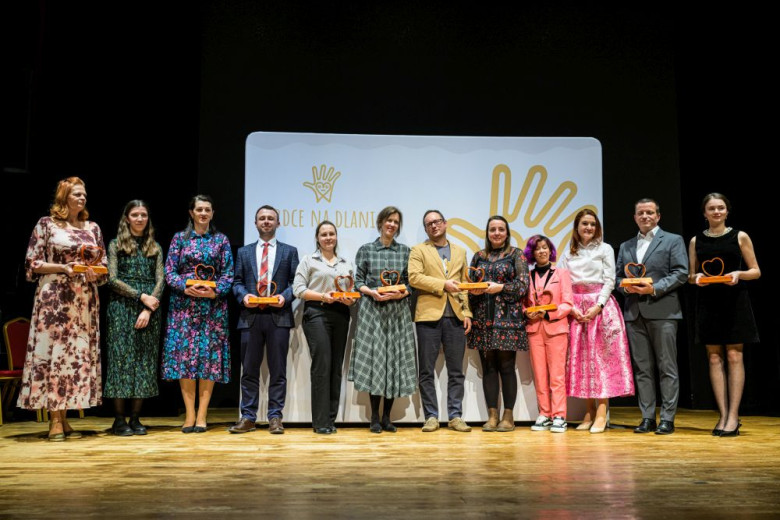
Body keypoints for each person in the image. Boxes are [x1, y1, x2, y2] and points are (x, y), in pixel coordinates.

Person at [17, 177, 107, 441]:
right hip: (55, 298)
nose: (82, 198)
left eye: (84, 194)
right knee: (54, 355)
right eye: (77, 194)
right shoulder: (46, 224)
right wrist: (63, 268)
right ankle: (54, 420)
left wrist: (95, 273)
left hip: (83, 299)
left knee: (74, 358)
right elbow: (32, 263)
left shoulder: (92, 227)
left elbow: (103, 265)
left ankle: (65, 417)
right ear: (64, 197)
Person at [688, 193, 760, 437]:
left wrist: (739, 274)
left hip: (735, 300)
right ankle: (723, 414)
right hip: (708, 303)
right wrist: (696, 278)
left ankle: (734, 416)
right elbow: (691, 276)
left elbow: (756, 271)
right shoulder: (696, 240)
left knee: (734, 355)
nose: (716, 212)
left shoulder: (740, 236)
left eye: (720, 208)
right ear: (704, 213)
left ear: (727, 211)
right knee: (713, 358)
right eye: (712, 208)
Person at [162, 195, 234, 433]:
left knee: (208, 360)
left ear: (213, 214)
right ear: (191, 212)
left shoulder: (221, 240)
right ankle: (189, 415)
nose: (203, 213)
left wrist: (215, 292)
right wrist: (185, 287)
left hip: (212, 309)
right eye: (199, 209)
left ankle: (202, 415)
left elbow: (228, 274)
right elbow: (169, 272)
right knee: (185, 360)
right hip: (184, 307)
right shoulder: (179, 239)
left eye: (207, 210)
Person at [557, 209, 634, 433]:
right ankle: (589, 411)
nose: (588, 228)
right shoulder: (568, 252)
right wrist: (572, 308)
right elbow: (563, 281)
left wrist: (597, 306)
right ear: (577, 227)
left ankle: (602, 412)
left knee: (602, 360)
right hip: (576, 309)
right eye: (584, 224)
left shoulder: (605, 248)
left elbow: (610, 280)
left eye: (592, 224)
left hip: (600, 307)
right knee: (582, 361)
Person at [616, 198, 687, 435]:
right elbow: (617, 277)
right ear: (635, 217)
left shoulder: (673, 240)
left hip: (663, 310)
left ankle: (667, 418)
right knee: (642, 368)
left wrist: (653, 288)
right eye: (641, 213)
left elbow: (681, 272)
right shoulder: (626, 245)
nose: (645, 216)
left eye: (649, 212)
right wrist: (626, 288)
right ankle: (647, 417)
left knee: (667, 366)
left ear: (658, 216)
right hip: (634, 312)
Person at [229, 205, 299, 435]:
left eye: (270, 218)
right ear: (256, 223)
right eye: (262, 218)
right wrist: (243, 296)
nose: (266, 221)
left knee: (278, 371)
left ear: (278, 223)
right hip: (250, 317)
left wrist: (284, 297)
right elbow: (236, 282)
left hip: (279, 316)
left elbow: (295, 283)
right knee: (249, 371)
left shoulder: (290, 251)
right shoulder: (244, 252)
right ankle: (248, 417)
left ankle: (275, 417)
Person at [349, 206, 417, 434]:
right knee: (376, 361)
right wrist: (371, 292)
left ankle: (387, 417)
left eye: (396, 222)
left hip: (397, 312)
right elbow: (358, 281)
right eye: (389, 220)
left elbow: (410, 283)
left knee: (393, 361)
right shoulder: (366, 250)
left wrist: (402, 293)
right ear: (380, 223)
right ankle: (374, 417)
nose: (392, 225)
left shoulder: (405, 252)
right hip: (373, 312)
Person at [408, 210, 473, 433]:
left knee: (456, 370)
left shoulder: (460, 251)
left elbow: (464, 285)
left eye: (437, 221)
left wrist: (467, 313)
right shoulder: (418, 250)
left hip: (455, 316)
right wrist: (443, 284)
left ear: (445, 224)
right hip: (428, 316)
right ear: (426, 229)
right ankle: (431, 417)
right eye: (429, 224)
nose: (434, 226)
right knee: (426, 370)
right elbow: (414, 277)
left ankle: (455, 416)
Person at [105, 200, 164, 436]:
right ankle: (119, 419)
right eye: (135, 215)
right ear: (127, 218)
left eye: (143, 215)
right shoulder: (115, 245)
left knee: (143, 363)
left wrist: (149, 308)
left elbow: (161, 280)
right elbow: (112, 279)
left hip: (149, 309)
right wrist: (141, 296)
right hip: (121, 307)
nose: (140, 219)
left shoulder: (155, 247)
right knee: (120, 362)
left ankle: (136, 418)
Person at [467, 216, 529, 432]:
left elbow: (523, 286)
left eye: (501, 229)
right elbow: (470, 285)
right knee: (489, 367)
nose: (496, 233)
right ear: (487, 233)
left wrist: (500, 287)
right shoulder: (478, 256)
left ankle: (508, 417)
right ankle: (492, 415)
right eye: (492, 229)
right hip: (482, 319)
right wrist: (474, 291)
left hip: (508, 320)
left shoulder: (516, 254)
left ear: (507, 232)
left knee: (507, 367)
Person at [293, 221, 356, 434]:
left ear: (336, 237)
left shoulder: (345, 263)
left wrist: (350, 300)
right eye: (324, 234)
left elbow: (351, 291)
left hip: (341, 314)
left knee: (335, 367)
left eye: (331, 234)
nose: (328, 238)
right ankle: (320, 422)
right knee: (322, 365)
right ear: (317, 238)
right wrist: (322, 296)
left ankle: (330, 419)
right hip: (316, 313)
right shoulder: (308, 260)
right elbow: (298, 289)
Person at [523, 234, 573, 433]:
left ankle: (559, 415)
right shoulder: (527, 276)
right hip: (534, 329)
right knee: (540, 375)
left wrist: (549, 314)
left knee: (557, 375)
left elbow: (567, 304)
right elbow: (524, 304)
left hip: (556, 329)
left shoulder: (562, 274)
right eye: (537, 248)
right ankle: (544, 413)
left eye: (545, 247)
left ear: (550, 250)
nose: (542, 251)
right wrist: (527, 312)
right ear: (532, 253)